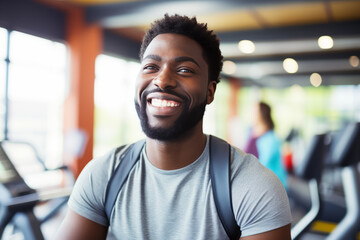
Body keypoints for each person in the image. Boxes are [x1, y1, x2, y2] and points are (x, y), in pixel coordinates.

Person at [55, 14, 292, 240]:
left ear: (210, 92)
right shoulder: (103, 174)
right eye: (150, 67)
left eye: (185, 70)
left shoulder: (253, 186)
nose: (162, 80)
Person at [244, 101, 288, 189]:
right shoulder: (251, 132)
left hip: (271, 185)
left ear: (262, 114)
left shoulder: (271, 139)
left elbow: (263, 165)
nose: (251, 114)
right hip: (253, 180)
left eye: (254, 112)